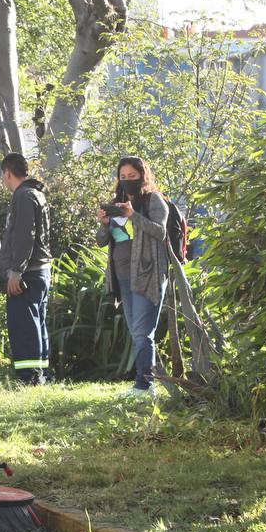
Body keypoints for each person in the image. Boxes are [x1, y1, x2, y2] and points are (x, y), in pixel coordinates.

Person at [96, 156, 169, 396]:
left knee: (142, 332)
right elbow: (101, 241)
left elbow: (159, 232)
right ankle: (146, 381)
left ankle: (144, 385)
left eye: (132, 177)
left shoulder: (153, 200)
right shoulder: (117, 202)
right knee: (136, 331)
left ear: (142, 175)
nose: (127, 181)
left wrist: (132, 216)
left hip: (147, 274)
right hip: (122, 277)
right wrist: (105, 223)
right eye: (123, 177)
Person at [0, 154, 51, 385]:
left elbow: (24, 236)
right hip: (39, 270)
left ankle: (29, 377)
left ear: (7, 172)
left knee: (24, 325)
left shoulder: (23, 196)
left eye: (3, 176)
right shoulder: (36, 193)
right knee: (37, 322)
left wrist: (16, 271)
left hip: (27, 272)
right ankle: (42, 372)